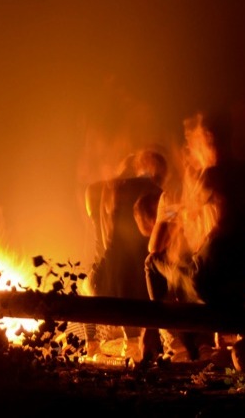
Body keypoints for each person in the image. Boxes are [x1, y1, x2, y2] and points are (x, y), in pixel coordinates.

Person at [141, 165, 245, 363]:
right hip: (237, 293)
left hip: (208, 288)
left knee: (153, 263)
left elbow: (154, 247)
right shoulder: (244, 217)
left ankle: (172, 339)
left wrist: (173, 212)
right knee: (182, 273)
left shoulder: (188, 202)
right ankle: (201, 345)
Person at [87, 148, 166, 353]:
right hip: (135, 276)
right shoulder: (151, 191)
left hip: (111, 275)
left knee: (90, 285)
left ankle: (94, 344)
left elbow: (106, 238)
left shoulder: (110, 189)